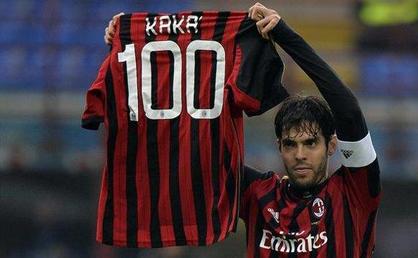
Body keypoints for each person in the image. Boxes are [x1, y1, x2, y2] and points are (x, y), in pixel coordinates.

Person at [104, 3, 381, 257]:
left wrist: (285, 36)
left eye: (310, 143)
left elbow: (349, 112)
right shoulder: (260, 193)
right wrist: (140, 42)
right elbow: (183, 146)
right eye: (290, 145)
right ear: (279, 147)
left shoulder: (353, 191)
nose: (300, 154)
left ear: (331, 145)